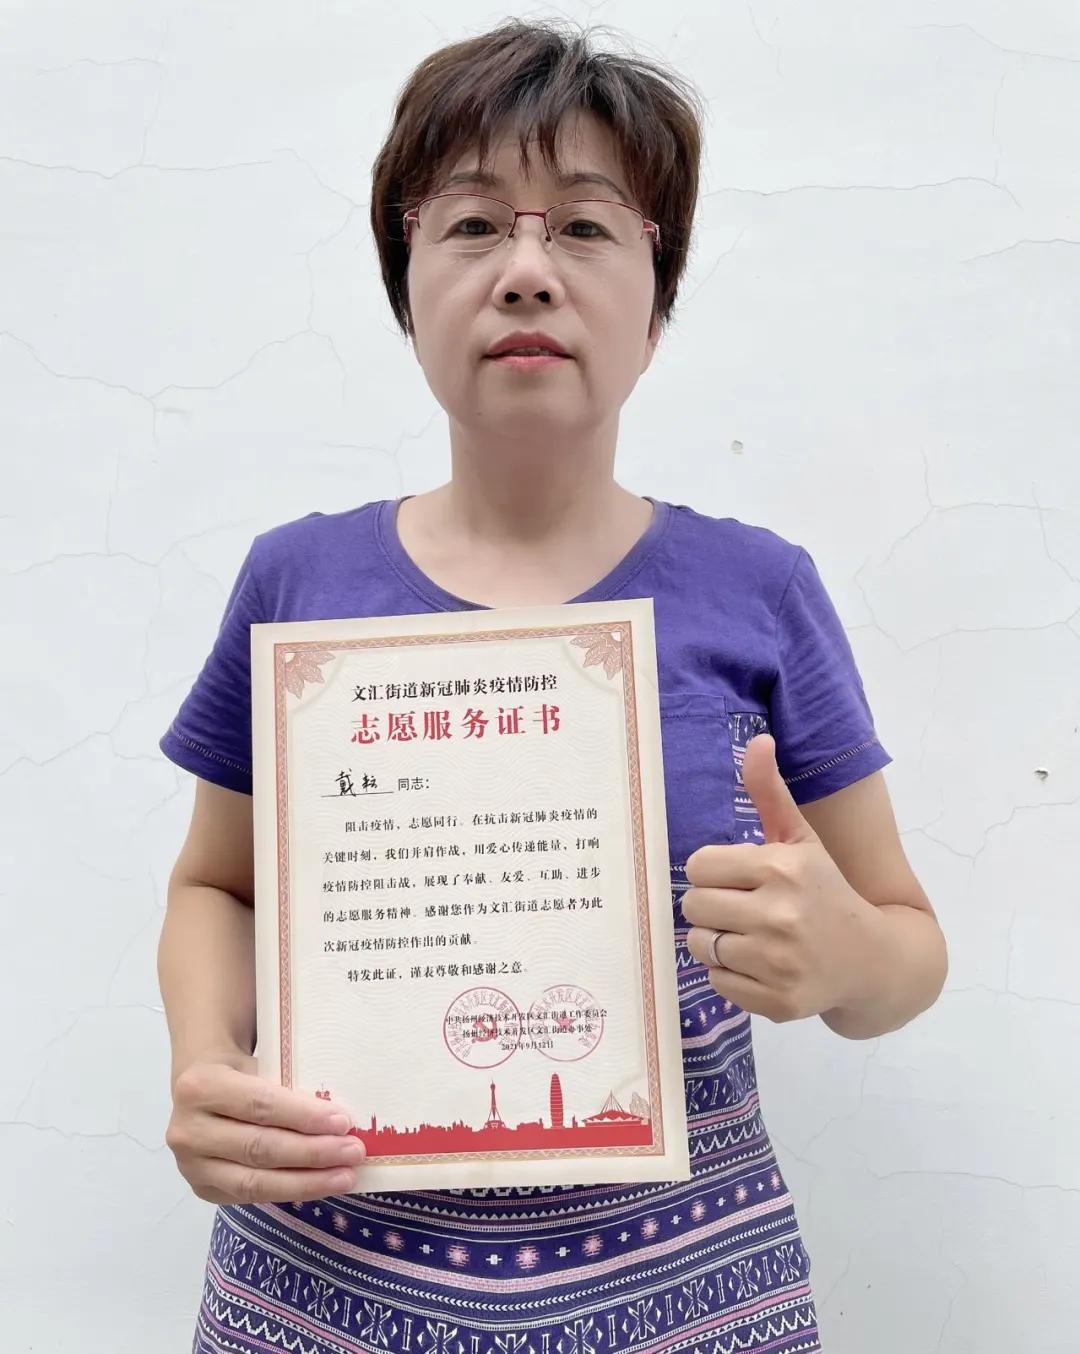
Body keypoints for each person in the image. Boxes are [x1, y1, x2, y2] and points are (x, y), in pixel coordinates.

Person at [157, 18, 948, 1353]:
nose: (526, 272)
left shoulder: (760, 589)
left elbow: (907, 951)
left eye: (584, 227)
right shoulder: (296, 579)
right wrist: (203, 1060)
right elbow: (214, 885)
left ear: (658, 302)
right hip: (319, 1289)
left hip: (687, 1299)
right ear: (407, 286)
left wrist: (848, 956)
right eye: (472, 226)